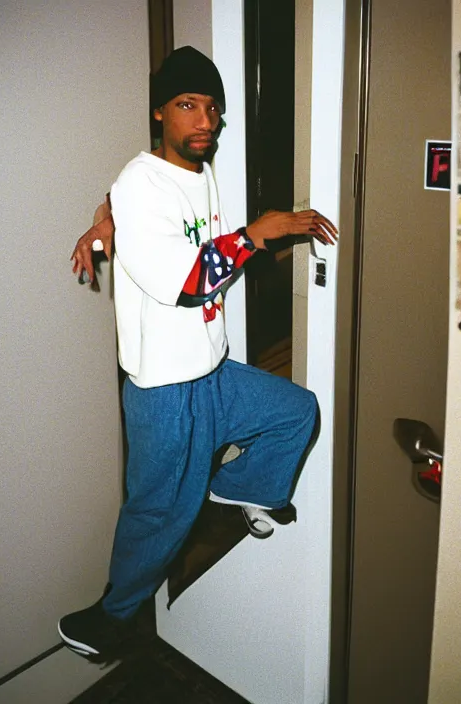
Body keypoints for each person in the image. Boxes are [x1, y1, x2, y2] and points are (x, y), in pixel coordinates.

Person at [59, 46, 338, 660]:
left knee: (296, 411)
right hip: (164, 391)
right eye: (188, 105)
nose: (204, 120)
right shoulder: (139, 182)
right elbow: (188, 284)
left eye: (212, 108)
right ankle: (110, 617)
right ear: (160, 113)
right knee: (161, 517)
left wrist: (104, 221)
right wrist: (256, 235)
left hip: (210, 373)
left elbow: (145, 216)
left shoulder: (198, 174)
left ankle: (237, 485)